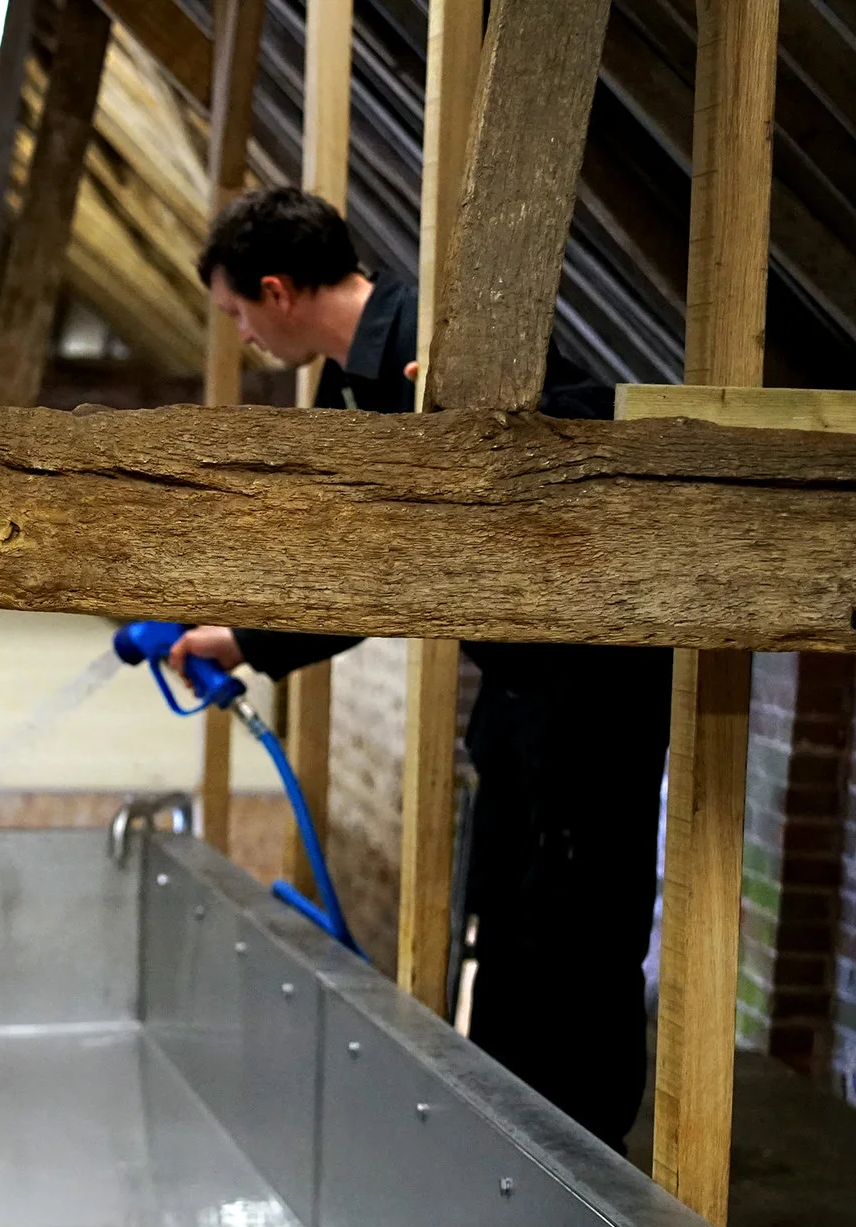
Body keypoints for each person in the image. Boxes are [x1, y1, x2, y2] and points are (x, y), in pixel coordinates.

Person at [173, 186, 670, 1154]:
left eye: (236, 312)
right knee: (507, 921)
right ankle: (511, 1150)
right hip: (518, 690)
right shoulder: (350, 388)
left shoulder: (439, 341)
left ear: (276, 290)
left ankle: (593, 1165)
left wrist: (487, 423)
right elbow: (361, 573)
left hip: (593, 685)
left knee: (580, 930)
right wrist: (245, 639)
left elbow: (597, 424)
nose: (241, 334)